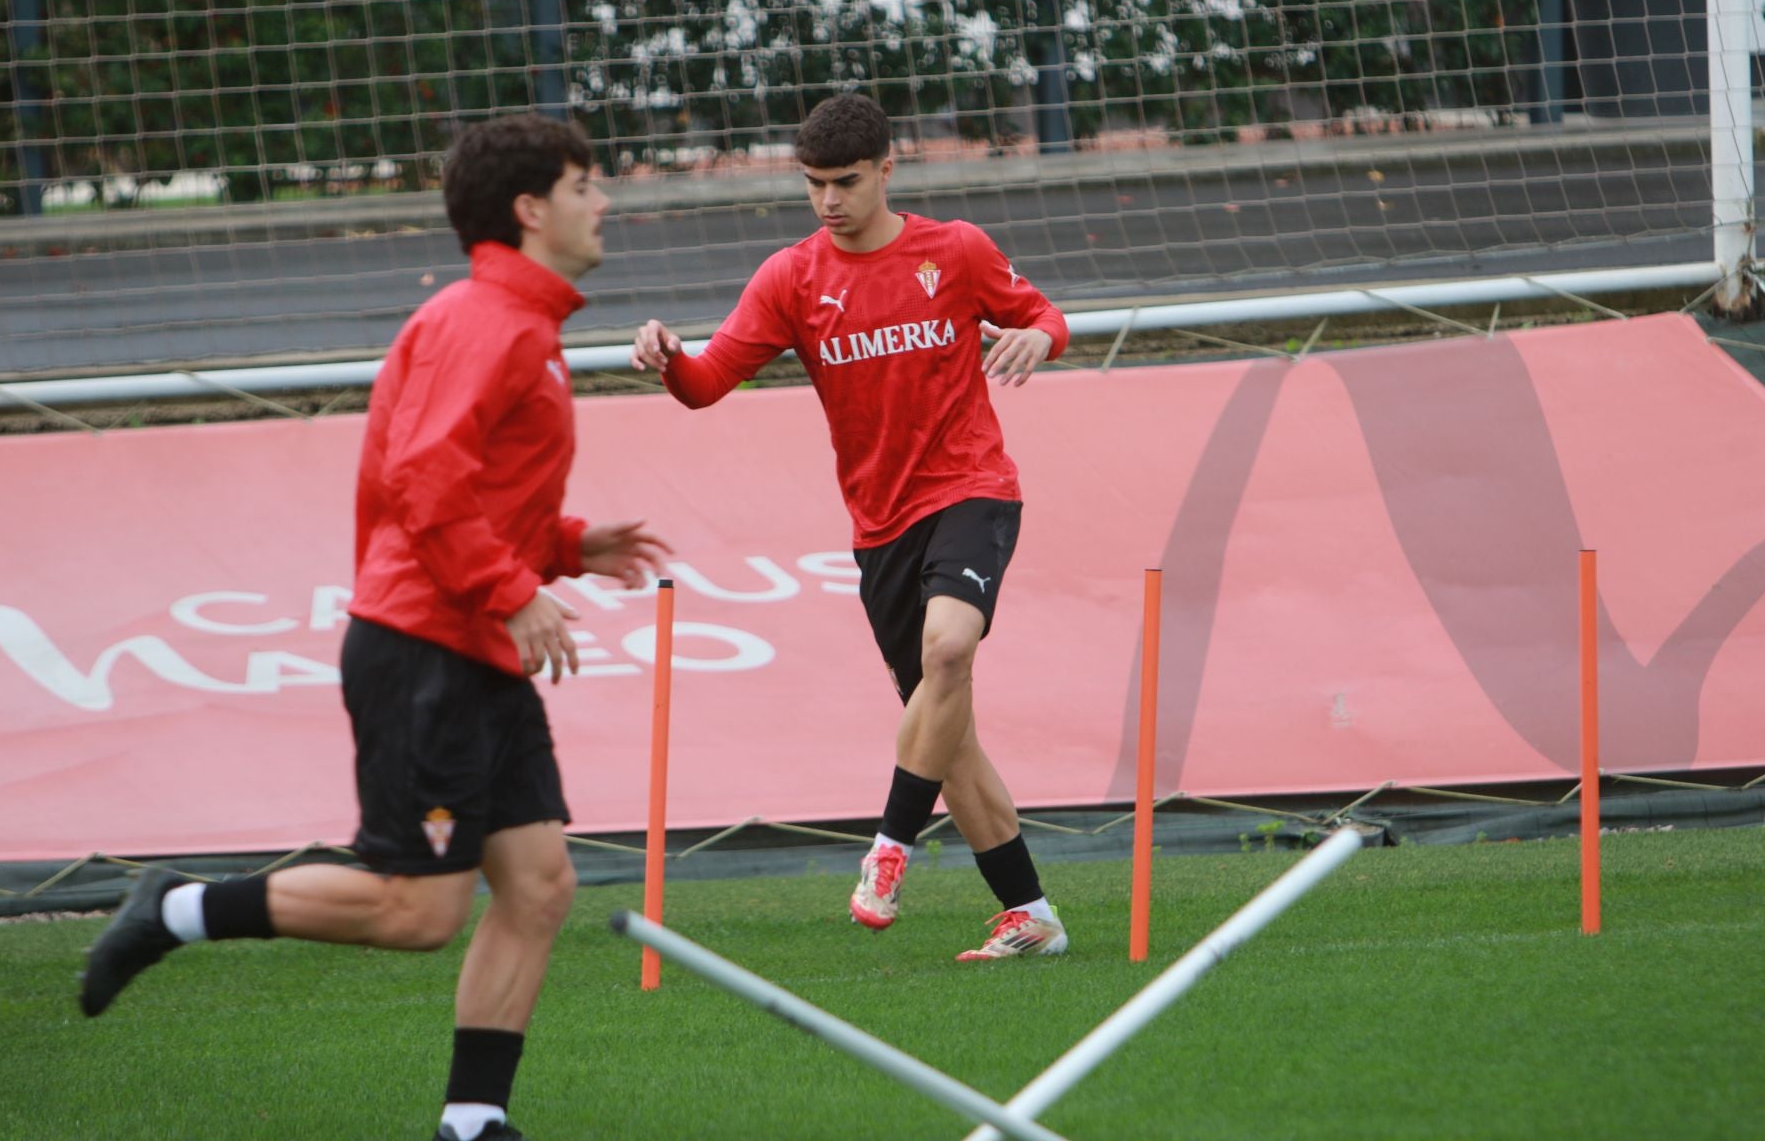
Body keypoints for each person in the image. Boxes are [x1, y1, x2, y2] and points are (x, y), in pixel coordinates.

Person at [79, 113, 672, 1141]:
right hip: (425, 649)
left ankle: (474, 1120)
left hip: (472, 641)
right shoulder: (486, 320)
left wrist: (567, 547)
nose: (602, 200)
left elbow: (473, 488)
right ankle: (174, 906)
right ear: (531, 209)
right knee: (419, 911)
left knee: (538, 884)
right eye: (585, 184)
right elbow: (424, 480)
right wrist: (512, 587)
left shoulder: (523, 323)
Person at [631, 92, 1069, 962]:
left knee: (948, 654)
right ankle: (1032, 914)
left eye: (846, 182)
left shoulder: (955, 251)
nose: (829, 200)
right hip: (879, 527)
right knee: (948, 731)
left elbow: (1044, 315)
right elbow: (710, 380)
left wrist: (1041, 342)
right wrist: (669, 359)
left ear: (887, 171)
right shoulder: (792, 277)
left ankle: (890, 848)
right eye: (813, 184)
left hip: (972, 488)